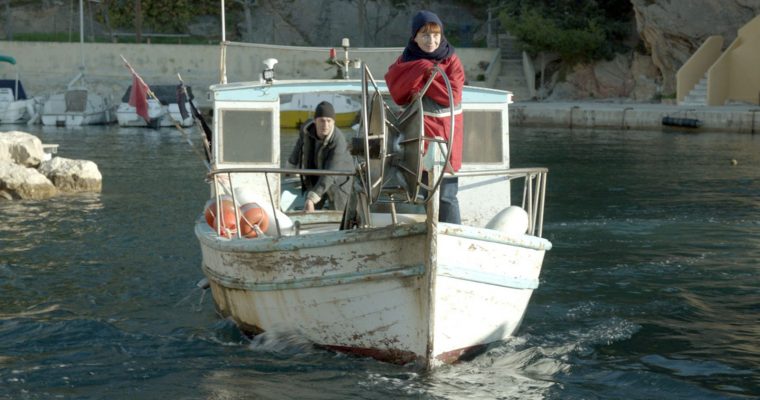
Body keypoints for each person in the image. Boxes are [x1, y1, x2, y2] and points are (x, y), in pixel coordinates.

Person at [384, 10, 465, 224]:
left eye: (436, 35)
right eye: (425, 35)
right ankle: (427, 230)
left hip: (446, 133)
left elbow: (452, 95)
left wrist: (424, 73)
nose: (432, 40)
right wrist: (426, 69)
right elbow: (397, 90)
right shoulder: (405, 59)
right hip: (417, 131)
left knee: (446, 193)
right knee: (420, 189)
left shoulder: (452, 59)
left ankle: (452, 234)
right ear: (415, 37)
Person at [287, 101, 354, 212]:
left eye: (329, 121)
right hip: (317, 176)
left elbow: (331, 173)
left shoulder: (338, 141)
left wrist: (312, 199)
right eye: (322, 120)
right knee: (309, 210)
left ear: (333, 122)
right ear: (315, 121)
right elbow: (298, 147)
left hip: (339, 181)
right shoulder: (306, 130)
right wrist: (290, 167)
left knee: (339, 217)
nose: (325, 125)